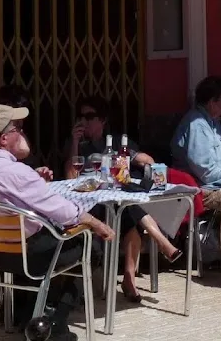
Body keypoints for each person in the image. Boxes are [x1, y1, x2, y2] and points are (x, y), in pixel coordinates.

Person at [0, 104, 115, 339]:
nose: (23, 133)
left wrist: (35, 182)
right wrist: (96, 223)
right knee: (91, 246)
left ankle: (29, 314)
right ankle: (53, 323)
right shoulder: (17, 172)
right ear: (4, 139)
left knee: (47, 242)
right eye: (18, 128)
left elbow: (10, 203)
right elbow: (64, 212)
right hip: (30, 256)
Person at [63, 96, 180, 300]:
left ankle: (129, 279)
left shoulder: (116, 143)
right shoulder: (77, 146)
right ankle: (162, 242)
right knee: (130, 208)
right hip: (92, 206)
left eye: (89, 116)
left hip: (116, 202)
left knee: (129, 216)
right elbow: (70, 178)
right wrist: (74, 142)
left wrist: (142, 165)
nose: (84, 121)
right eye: (80, 116)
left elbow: (146, 159)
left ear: (103, 120)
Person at [171, 76, 221, 210]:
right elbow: (205, 170)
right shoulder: (197, 124)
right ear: (212, 102)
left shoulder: (213, 122)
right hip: (204, 190)